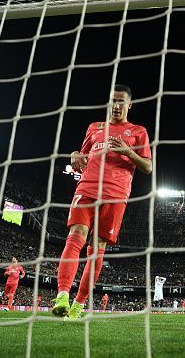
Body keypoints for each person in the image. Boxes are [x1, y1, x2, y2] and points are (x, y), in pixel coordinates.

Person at [51, 84, 152, 319]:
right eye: (113, 101)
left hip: (115, 194)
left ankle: (79, 304)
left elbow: (148, 167)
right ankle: (62, 295)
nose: (116, 106)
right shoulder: (95, 128)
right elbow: (81, 156)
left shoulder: (138, 131)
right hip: (86, 188)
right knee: (75, 236)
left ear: (129, 105)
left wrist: (129, 152)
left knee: (96, 250)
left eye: (121, 101)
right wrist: (75, 155)